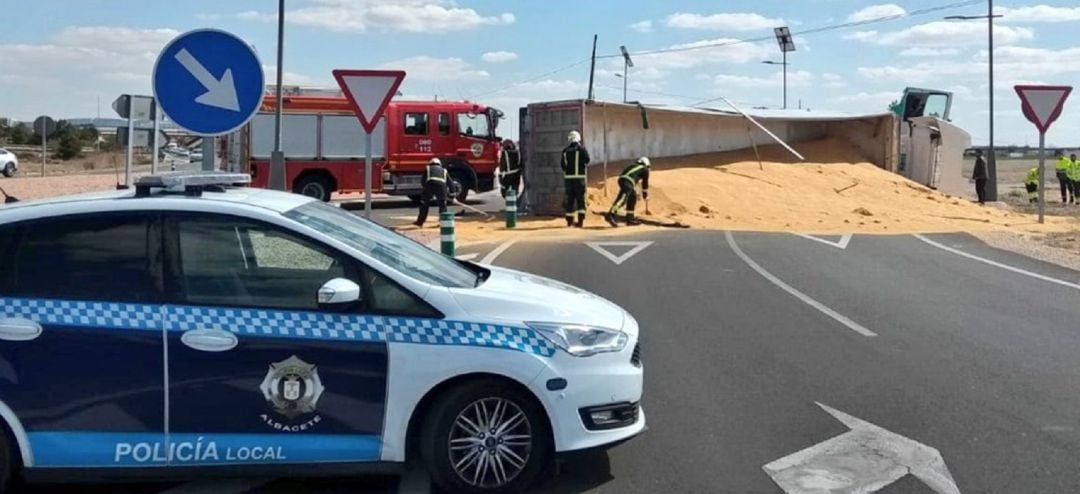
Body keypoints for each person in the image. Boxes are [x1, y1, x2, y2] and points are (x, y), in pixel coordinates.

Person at [605, 157, 651, 227]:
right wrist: (645, 195)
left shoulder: (633, 165)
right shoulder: (644, 169)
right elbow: (645, 184)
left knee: (632, 197)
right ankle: (611, 214)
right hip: (628, 182)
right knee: (623, 198)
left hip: (623, 179)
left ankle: (630, 219)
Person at [561, 130, 590, 227]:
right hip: (580, 179)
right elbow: (587, 160)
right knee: (580, 200)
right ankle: (580, 221)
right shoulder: (582, 149)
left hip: (569, 179)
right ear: (578, 139)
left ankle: (569, 221)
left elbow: (563, 165)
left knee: (570, 200)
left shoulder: (565, 151)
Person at [413, 158, 448, 227]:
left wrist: (427, 190)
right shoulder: (444, 170)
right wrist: (452, 194)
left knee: (424, 204)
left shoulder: (428, 168)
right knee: (442, 205)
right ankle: (443, 224)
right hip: (442, 187)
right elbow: (450, 183)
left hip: (430, 185)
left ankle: (420, 222)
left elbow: (423, 181)